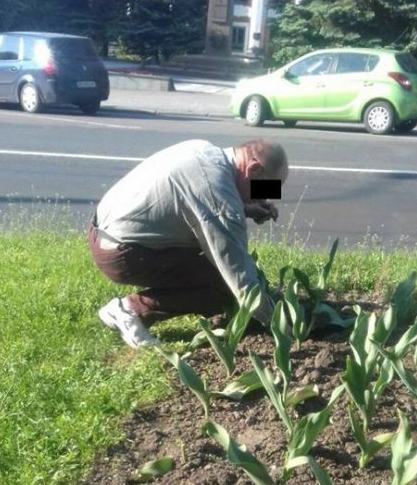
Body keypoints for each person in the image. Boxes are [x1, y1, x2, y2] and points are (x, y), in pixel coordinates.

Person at [88, 138, 289, 349]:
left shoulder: (204, 149)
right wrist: (278, 324)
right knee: (223, 284)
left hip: (103, 232)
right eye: (265, 189)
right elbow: (239, 275)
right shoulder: (217, 192)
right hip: (121, 254)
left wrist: (245, 208)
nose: (263, 198)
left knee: (214, 258)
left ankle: (132, 308)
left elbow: (193, 202)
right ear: (254, 169)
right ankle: (130, 311)